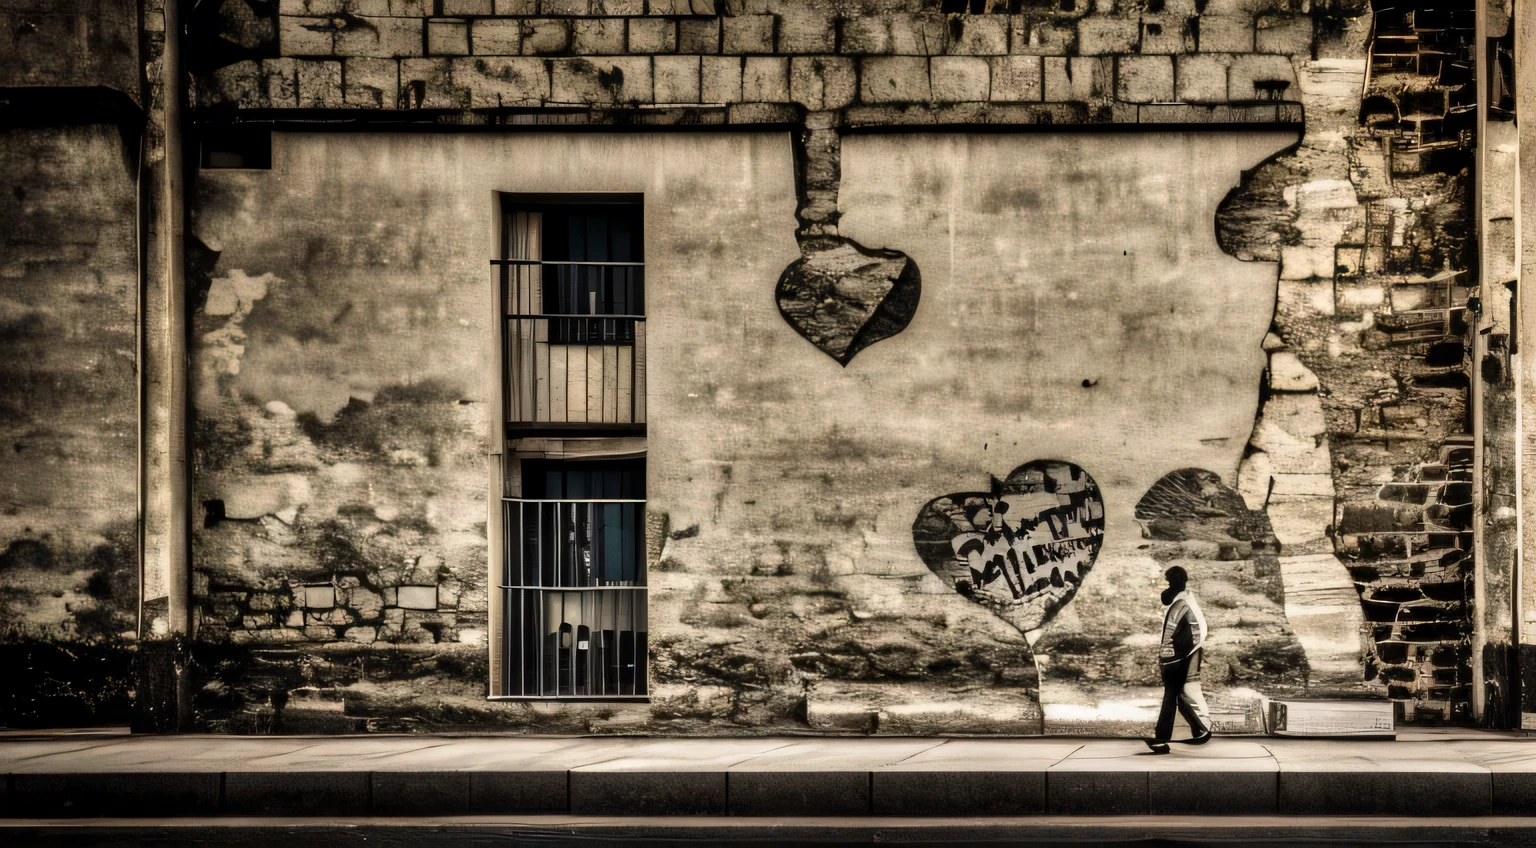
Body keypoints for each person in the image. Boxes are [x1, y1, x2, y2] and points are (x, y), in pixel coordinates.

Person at [1144, 565, 1211, 754]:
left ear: (1172, 583)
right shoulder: (1188, 600)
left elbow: (1169, 635)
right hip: (1186, 654)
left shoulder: (1179, 605)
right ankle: (1200, 729)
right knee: (1177, 694)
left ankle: (1160, 738)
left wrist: (1166, 659)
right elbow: (1201, 630)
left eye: (1168, 582)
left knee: (1170, 696)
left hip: (1176, 657)